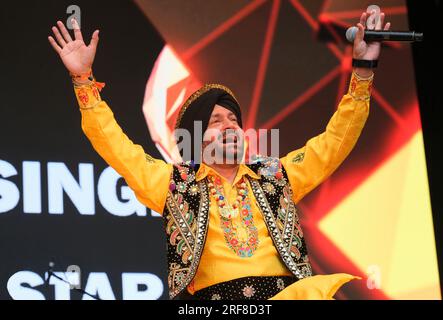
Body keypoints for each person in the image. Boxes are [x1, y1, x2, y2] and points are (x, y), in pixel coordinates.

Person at [48, 8, 390, 300]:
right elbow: (113, 144)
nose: (229, 126)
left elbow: (335, 142)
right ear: (194, 141)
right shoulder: (173, 185)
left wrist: (362, 69)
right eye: (215, 121)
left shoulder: (276, 175)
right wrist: (82, 79)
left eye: (233, 120)